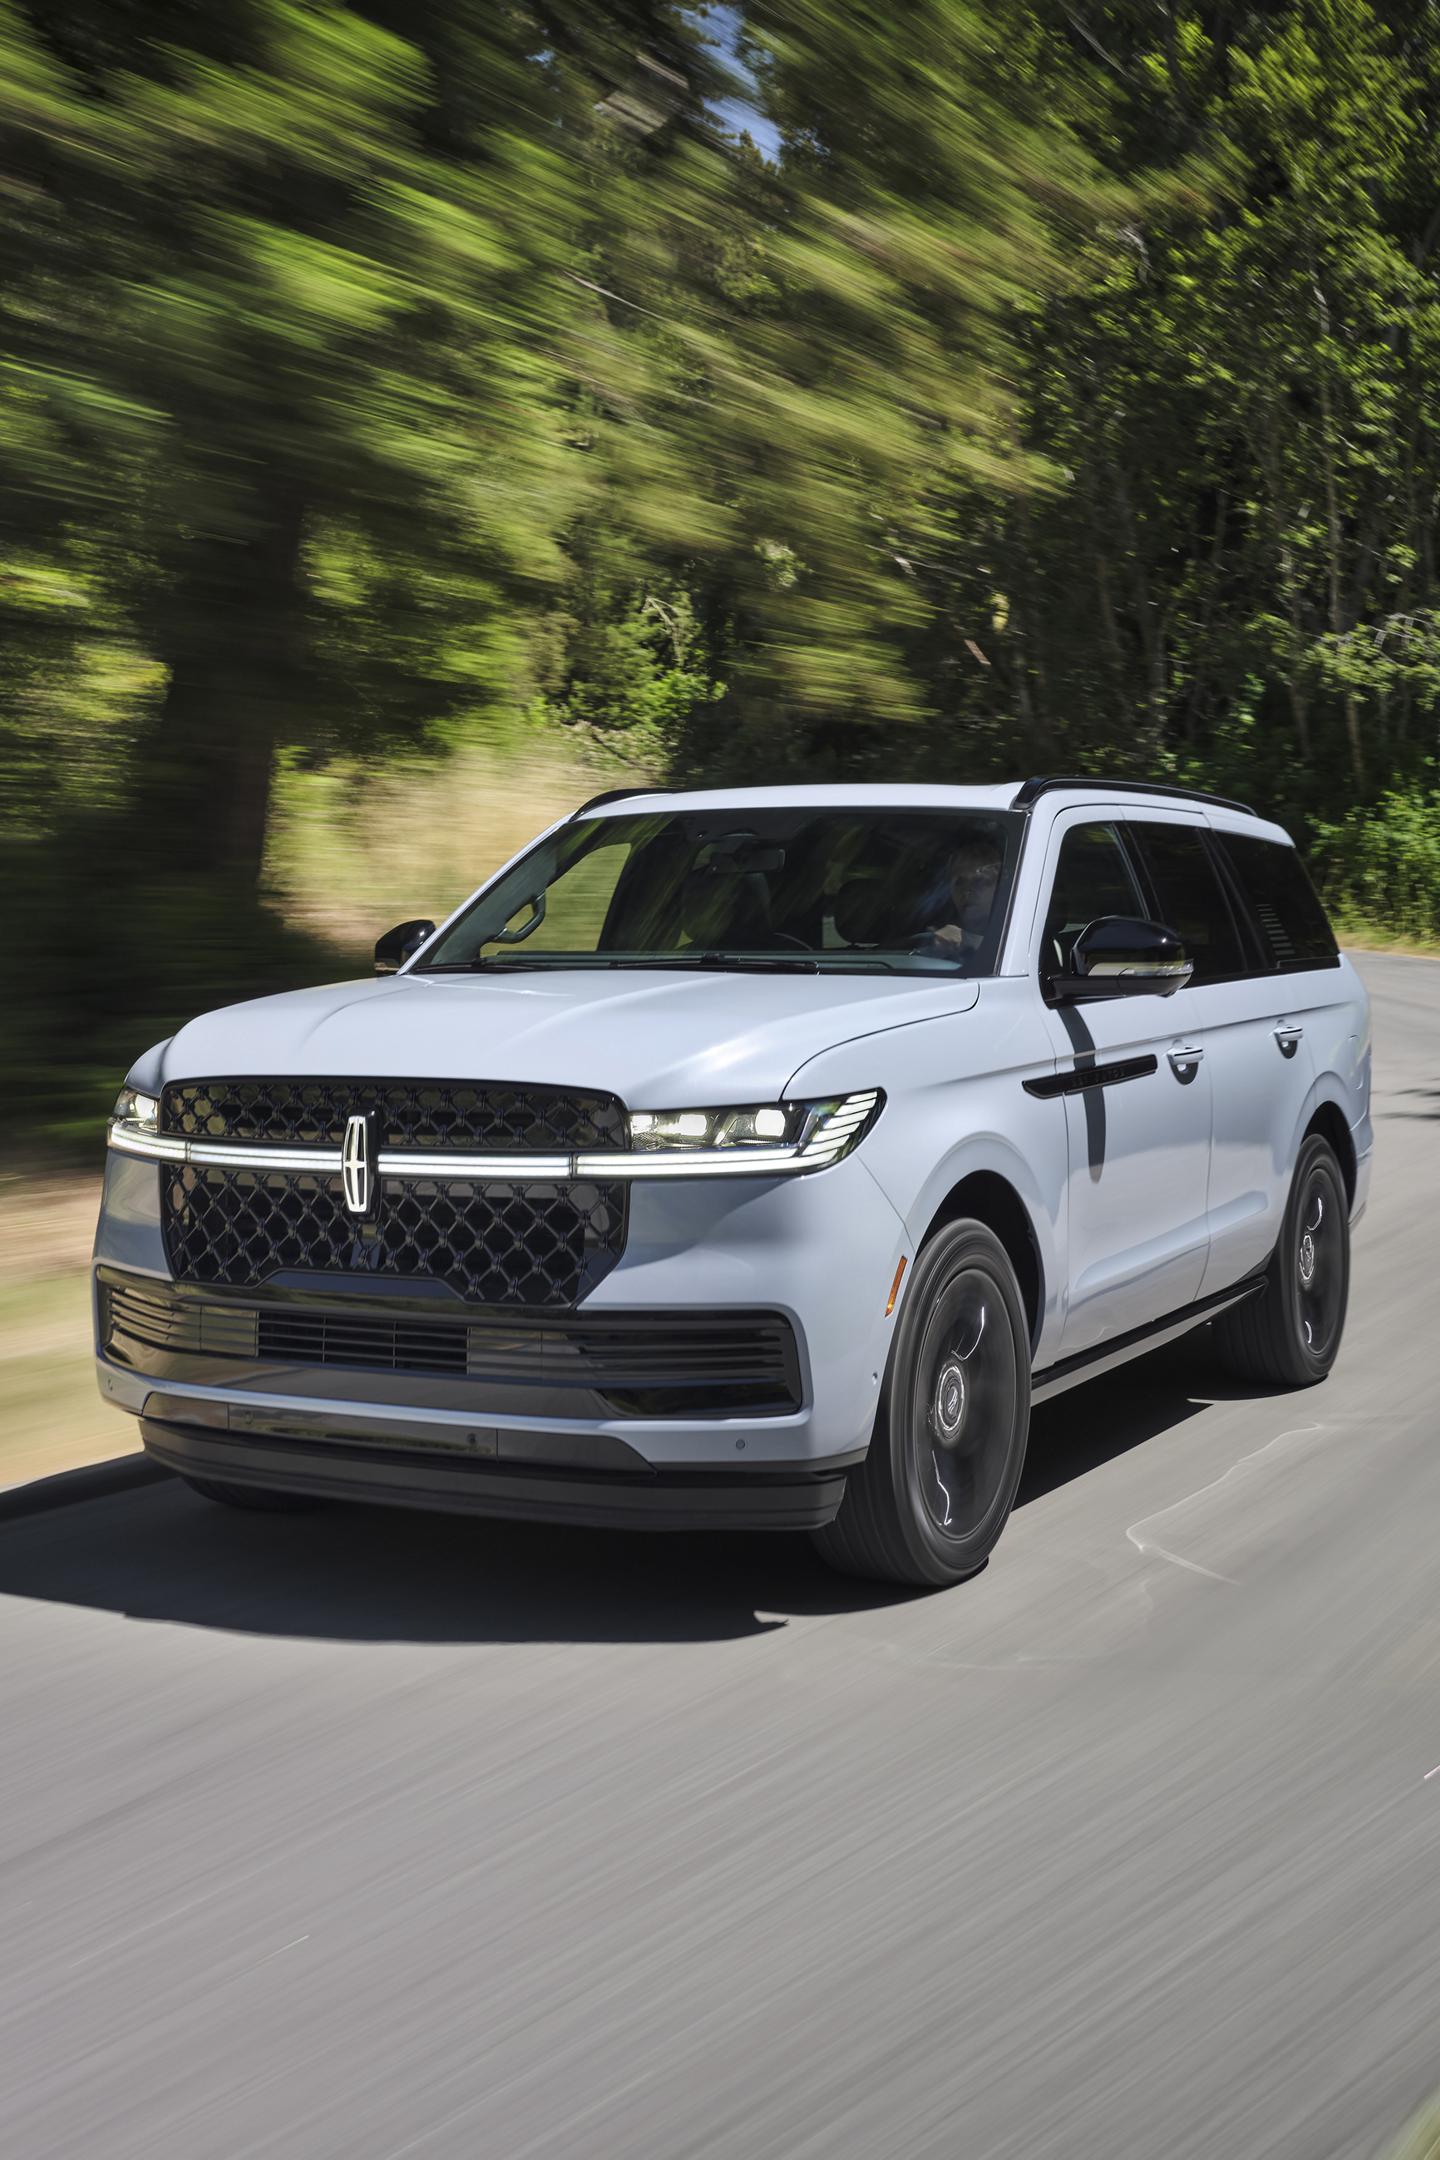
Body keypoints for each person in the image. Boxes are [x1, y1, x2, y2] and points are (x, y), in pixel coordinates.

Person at [912, 829, 1004, 960]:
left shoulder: (1017, 932)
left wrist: (969, 942)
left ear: (1000, 887)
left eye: (979, 881)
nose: (967, 890)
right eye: (959, 882)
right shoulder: (934, 932)